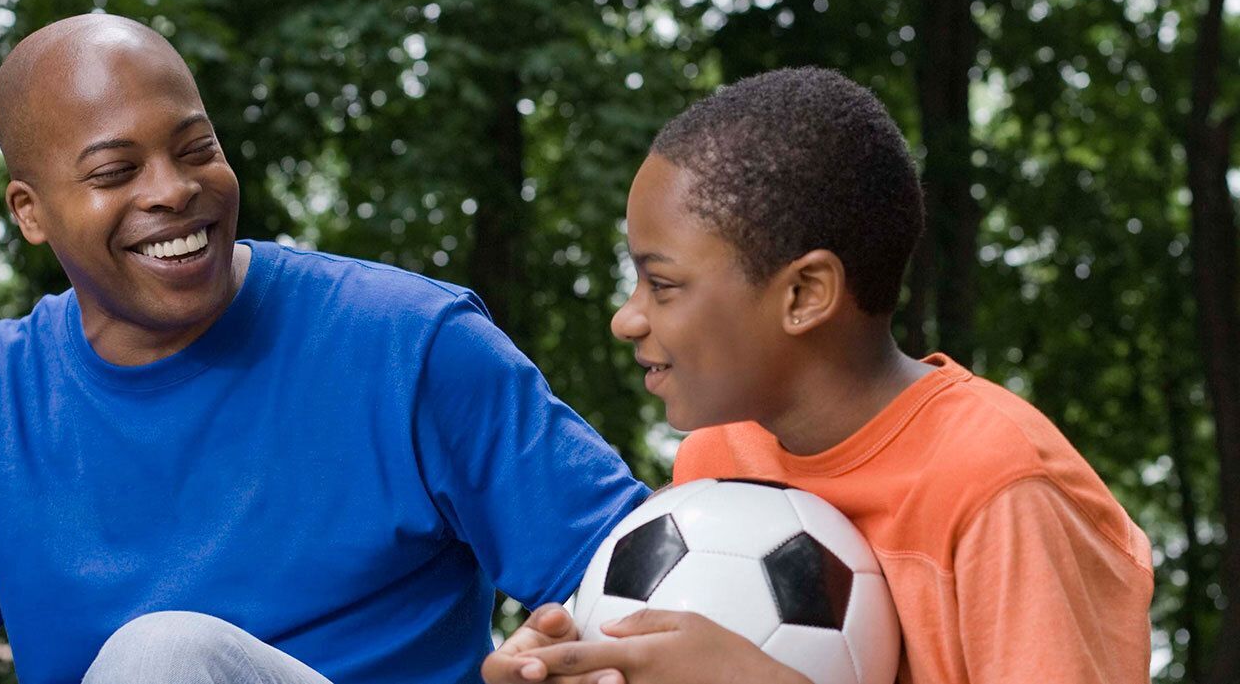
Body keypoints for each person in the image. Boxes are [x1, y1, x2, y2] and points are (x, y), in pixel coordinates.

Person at [0, 14, 649, 684]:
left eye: (196, 147)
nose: (172, 189)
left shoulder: (409, 344)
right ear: (31, 214)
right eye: (115, 169)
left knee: (163, 658)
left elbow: (642, 576)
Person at [483, 67, 1153, 684]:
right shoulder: (717, 463)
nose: (626, 319)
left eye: (661, 283)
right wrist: (587, 656)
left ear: (805, 293)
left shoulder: (999, 487)